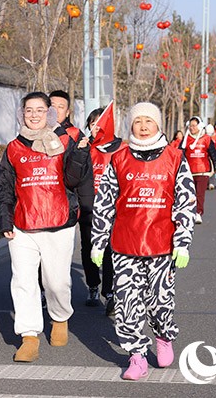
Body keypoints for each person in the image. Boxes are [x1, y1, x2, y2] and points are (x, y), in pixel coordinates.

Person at [90, 102, 196, 381]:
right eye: (138, 121)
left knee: (161, 302)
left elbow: (185, 202)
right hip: (125, 245)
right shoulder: (120, 158)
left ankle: (163, 337)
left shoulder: (175, 158)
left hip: (162, 246)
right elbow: (105, 202)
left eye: (149, 121)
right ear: (131, 126)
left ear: (158, 125)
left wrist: (182, 241)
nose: (144, 126)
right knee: (127, 303)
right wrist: (99, 241)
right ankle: (136, 355)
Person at [0, 92, 91, 363]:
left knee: (56, 282)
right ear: (21, 114)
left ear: (49, 113)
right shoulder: (13, 148)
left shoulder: (64, 141)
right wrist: (4, 220)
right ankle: (29, 336)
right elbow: (4, 188)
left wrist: (81, 153)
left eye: (40, 110)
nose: (34, 115)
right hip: (23, 227)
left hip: (58, 222)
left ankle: (60, 318)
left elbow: (73, 180)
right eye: (29, 110)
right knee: (23, 282)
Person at [49, 90, 98, 307]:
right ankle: (49, 291)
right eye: (51, 105)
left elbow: (85, 174)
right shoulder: (37, 134)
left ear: (68, 111)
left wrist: (87, 206)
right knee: (53, 249)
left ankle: (94, 285)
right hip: (53, 202)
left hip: (79, 198)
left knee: (88, 245)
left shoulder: (77, 135)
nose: (55, 110)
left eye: (60, 106)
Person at [86, 106, 126, 316]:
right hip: (89, 209)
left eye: (100, 124)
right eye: (92, 124)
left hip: (115, 210)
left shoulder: (122, 149)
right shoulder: (85, 148)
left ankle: (109, 293)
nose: (96, 128)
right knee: (90, 251)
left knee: (111, 251)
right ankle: (93, 286)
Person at [181, 116, 216, 224]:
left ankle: (198, 213)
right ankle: (189, 213)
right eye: (190, 126)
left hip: (203, 170)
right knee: (189, 194)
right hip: (189, 171)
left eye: (194, 125)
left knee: (200, 193)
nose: (192, 128)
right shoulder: (186, 139)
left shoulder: (206, 138)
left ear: (200, 126)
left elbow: (213, 153)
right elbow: (180, 153)